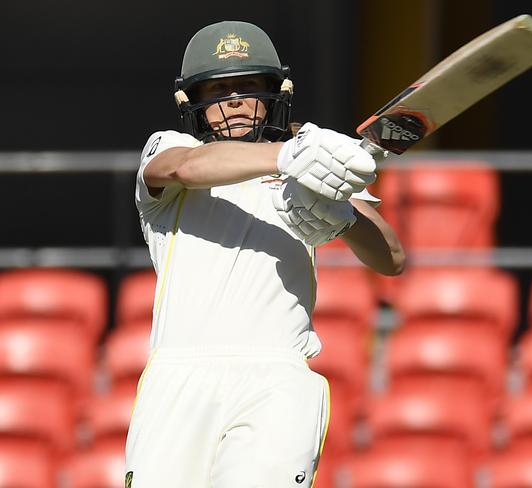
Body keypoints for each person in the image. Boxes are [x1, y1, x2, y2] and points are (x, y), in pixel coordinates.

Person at [125, 20, 404, 487]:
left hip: (276, 377)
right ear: (191, 102)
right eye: (217, 89)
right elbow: (186, 168)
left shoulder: (312, 165)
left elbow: (391, 257)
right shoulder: (173, 147)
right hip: (176, 377)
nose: (233, 100)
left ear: (276, 91)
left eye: (248, 86)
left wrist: (345, 215)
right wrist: (289, 155)